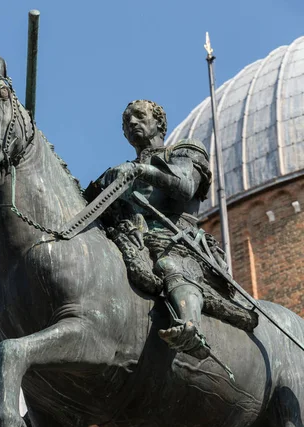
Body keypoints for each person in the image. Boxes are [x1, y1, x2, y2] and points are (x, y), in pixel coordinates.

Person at [88, 99, 228, 358]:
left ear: (159, 123)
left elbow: (185, 185)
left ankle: (191, 328)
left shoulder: (185, 151)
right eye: (126, 122)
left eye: (140, 116)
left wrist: (140, 171)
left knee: (169, 265)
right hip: (132, 237)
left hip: (175, 238)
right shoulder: (116, 172)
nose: (132, 123)